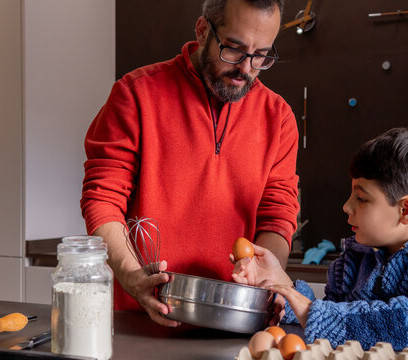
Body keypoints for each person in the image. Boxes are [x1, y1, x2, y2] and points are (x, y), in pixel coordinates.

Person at [80, 0, 299, 327]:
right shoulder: (136, 95)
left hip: (233, 322)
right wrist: (132, 277)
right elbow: (102, 198)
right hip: (139, 320)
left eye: (261, 55)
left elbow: (277, 213)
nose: (246, 68)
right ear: (202, 31)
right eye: (235, 50)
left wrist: (268, 279)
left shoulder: (277, 117)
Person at [233, 127, 408, 350]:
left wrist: (315, 315)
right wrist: (283, 289)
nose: (346, 206)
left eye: (362, 198)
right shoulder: (353, 262)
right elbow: (333, 318)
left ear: (406, 210)